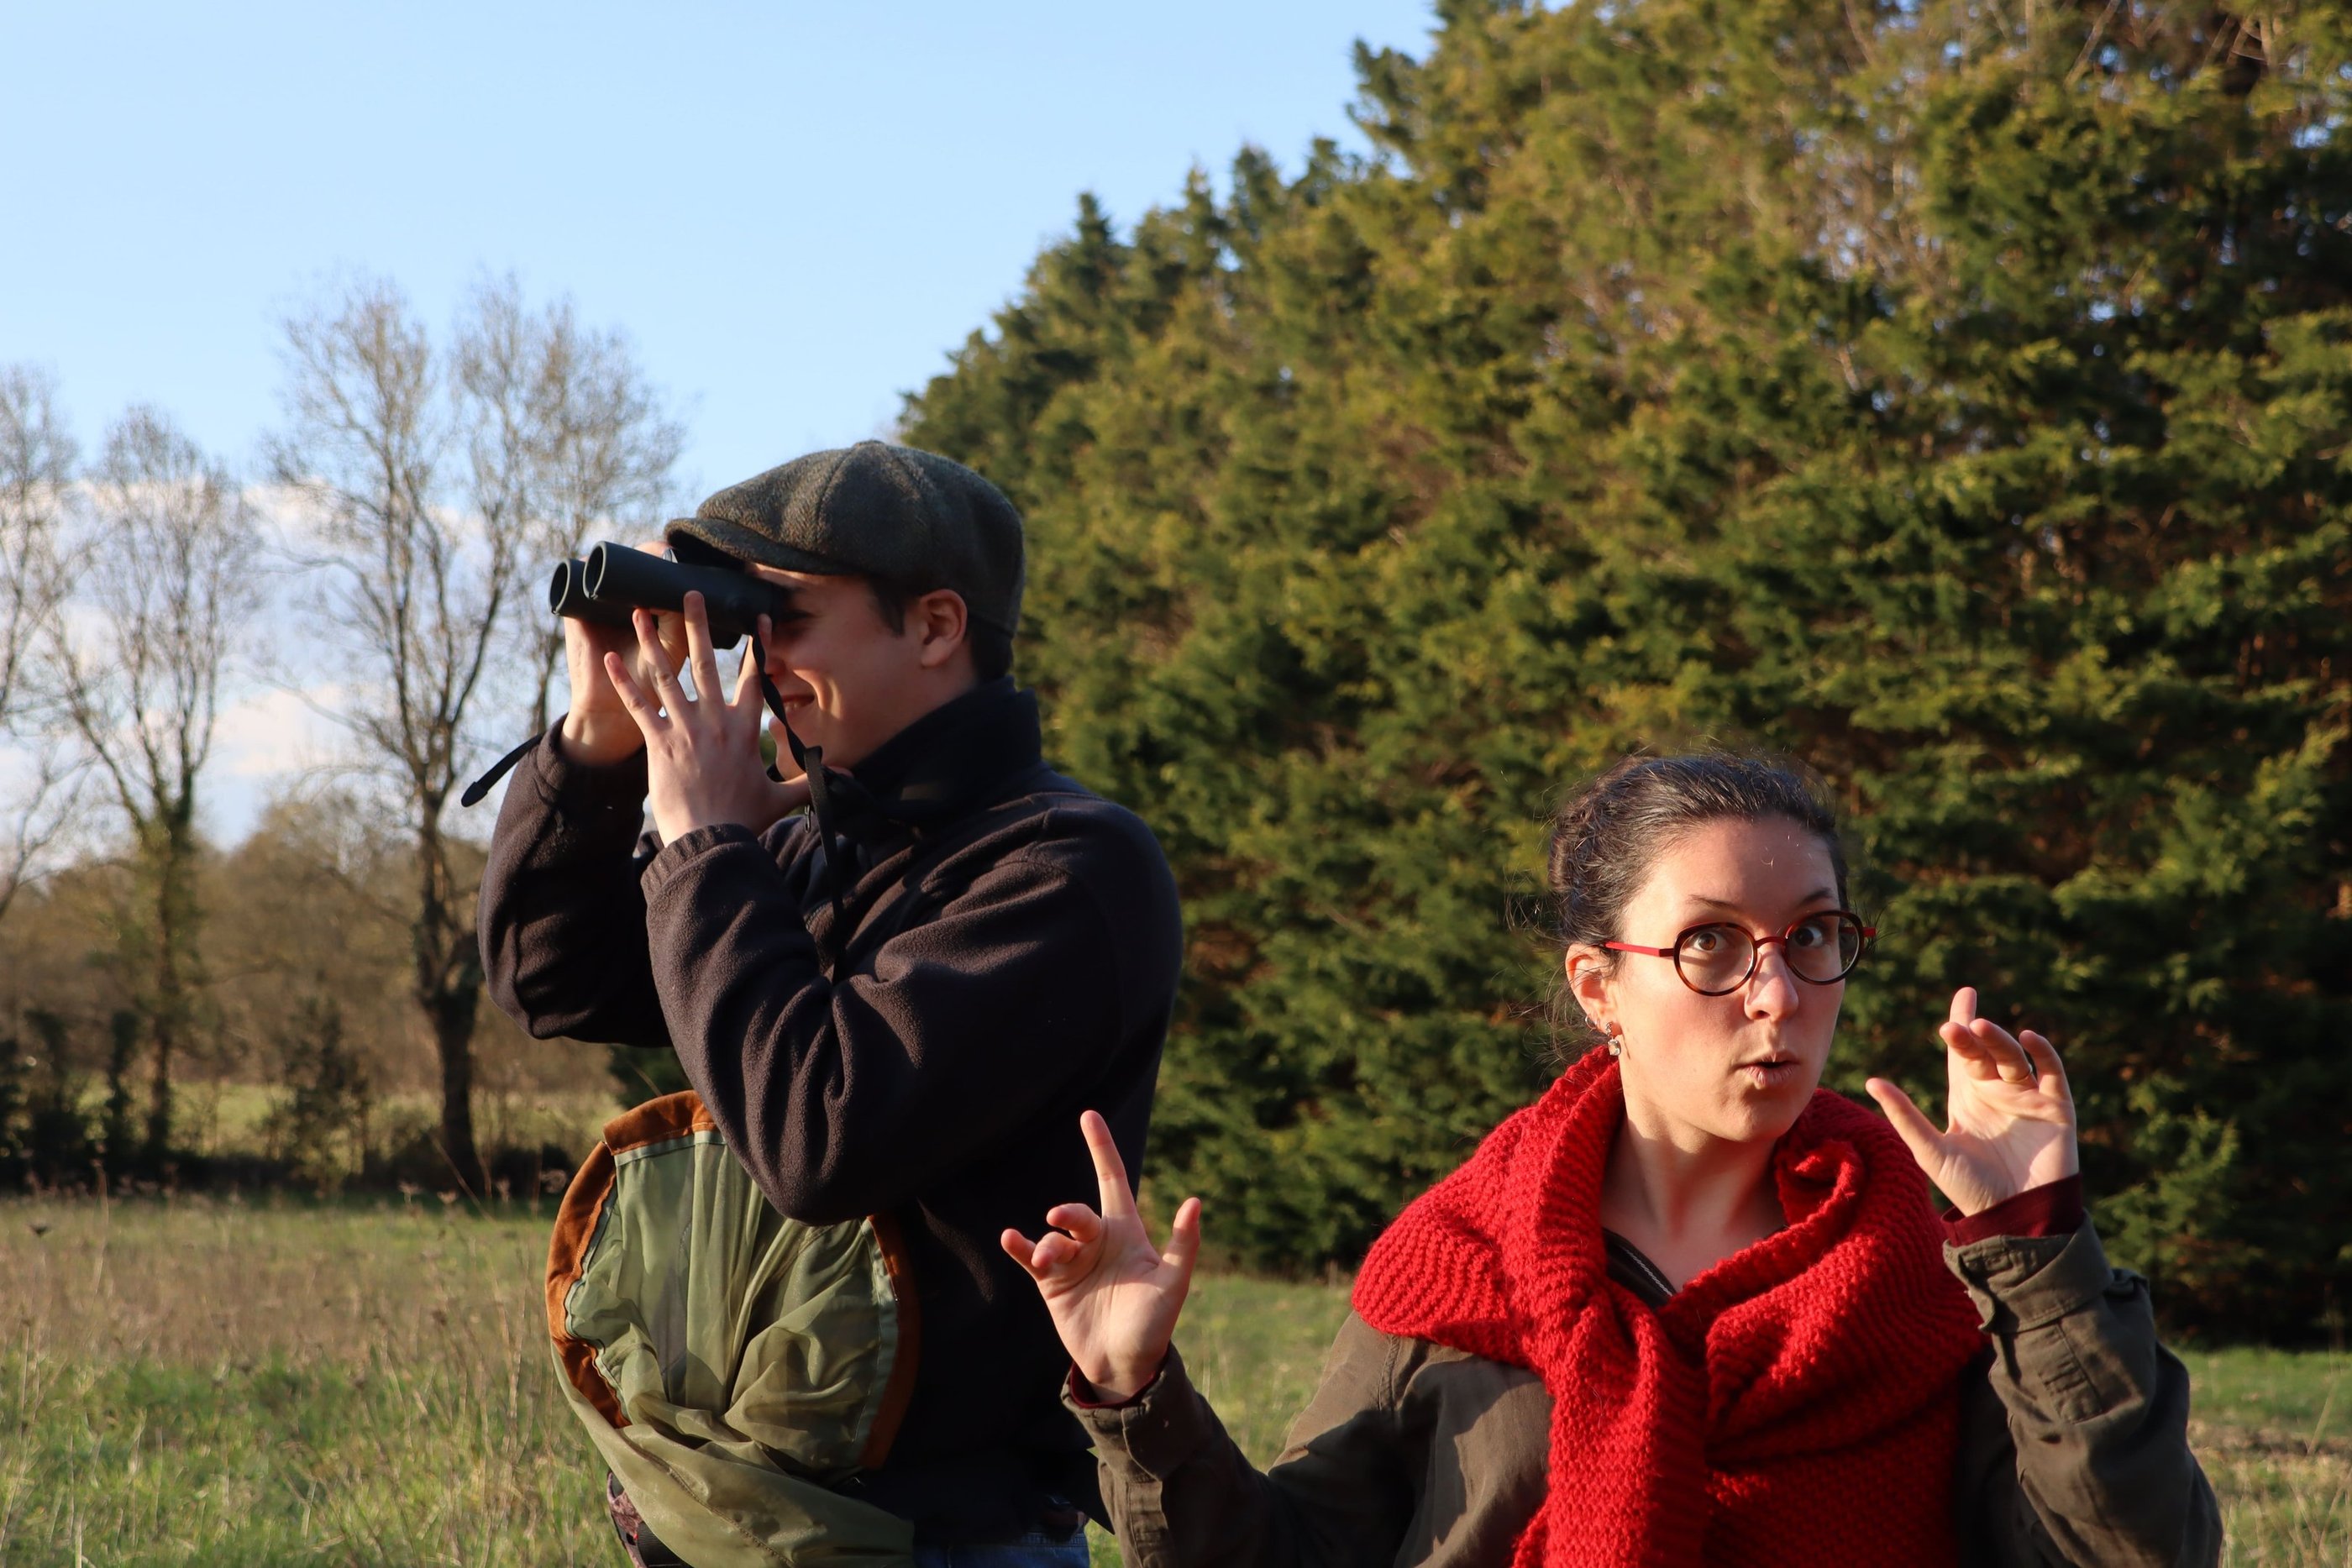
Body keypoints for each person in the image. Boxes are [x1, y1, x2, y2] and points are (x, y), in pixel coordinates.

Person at [1003, 754, 2221, 1567]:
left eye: (1812, 937)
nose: (1778, 995)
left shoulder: (1943, 1264)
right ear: (1599, 987)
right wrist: (1137, 1393)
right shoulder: (1457, 1262)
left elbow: (2131, 1555)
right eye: (1710, 944)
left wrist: (2040, 1249)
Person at [480, 441, 1184, 1565]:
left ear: (937, 626)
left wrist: (705, 848)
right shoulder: (803, 844)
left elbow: (819, 1141)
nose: (758, 659)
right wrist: (599, 743)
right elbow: (549, 976)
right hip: (734, 1511)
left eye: (788, 618)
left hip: (935, 1538)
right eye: (743, 622)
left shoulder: (1065, 869)